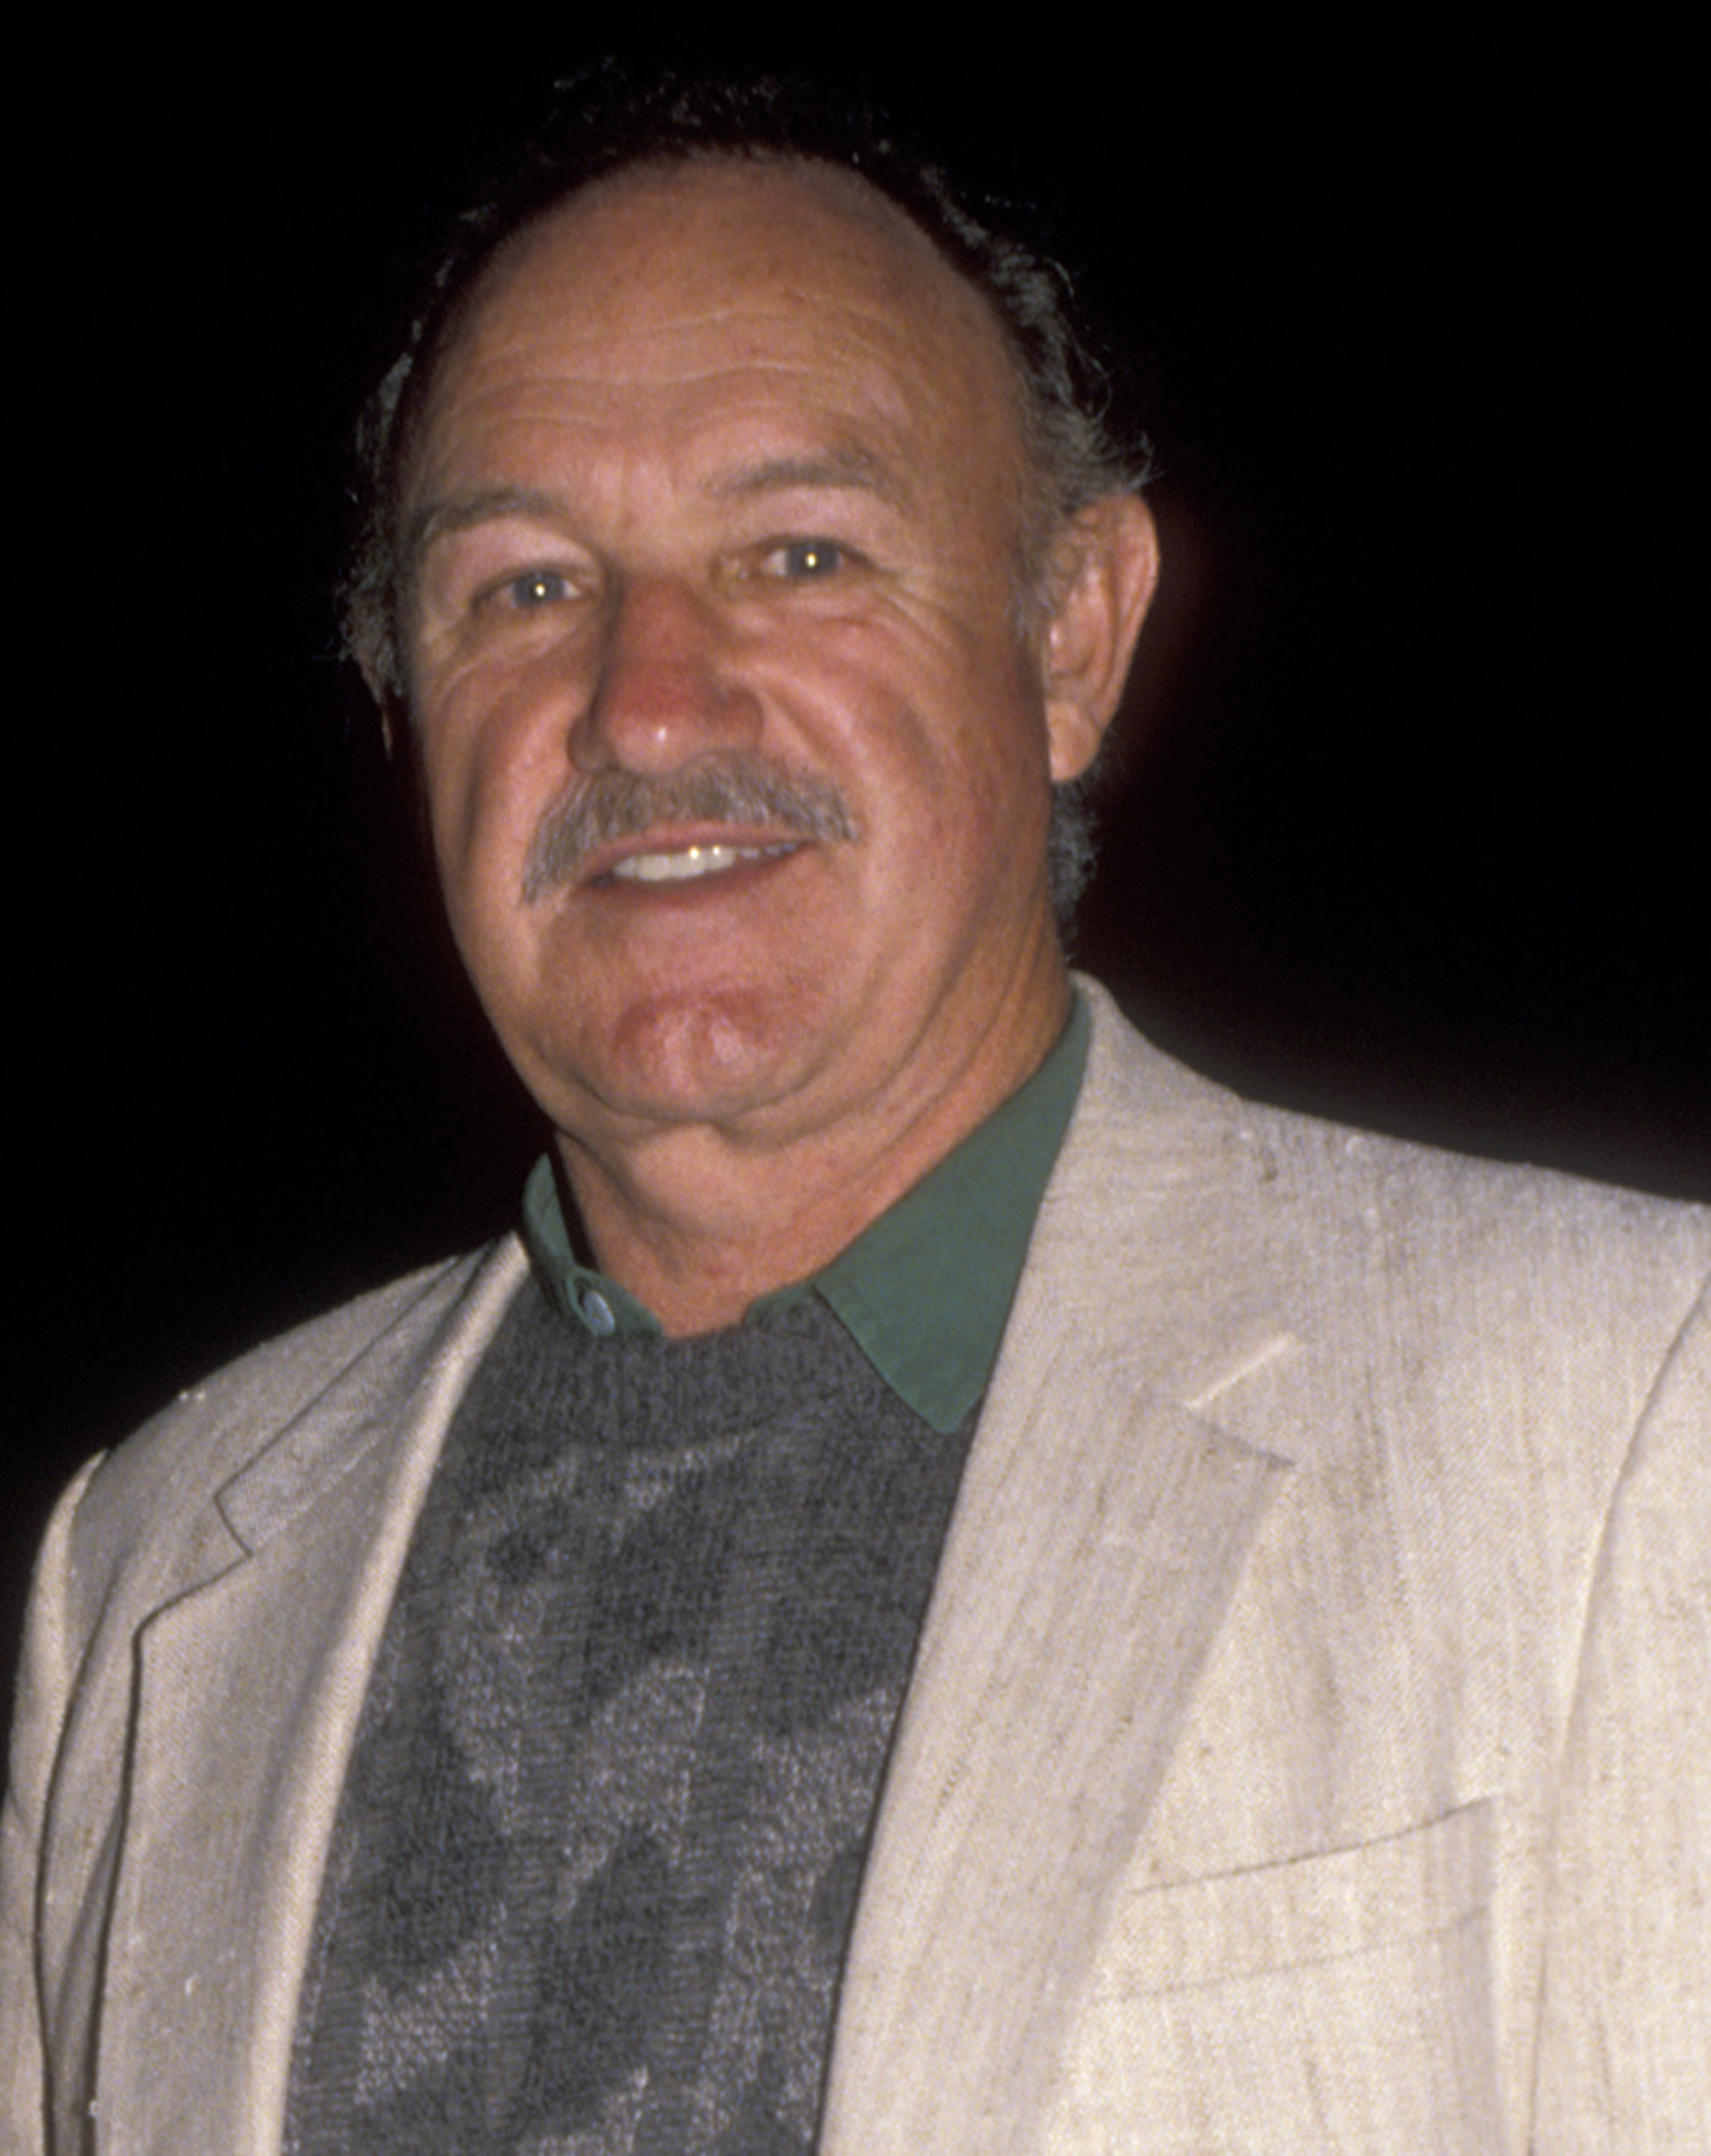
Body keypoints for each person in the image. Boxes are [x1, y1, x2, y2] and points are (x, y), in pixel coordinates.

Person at [3, 71, 1706, 2156]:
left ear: (1070, 634)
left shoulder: (1619, 1419)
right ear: (401, 703)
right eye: (526, 587)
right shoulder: (159, 1562)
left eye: (800, 553)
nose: (641, 702)